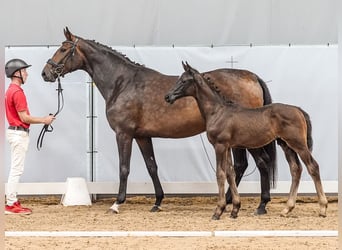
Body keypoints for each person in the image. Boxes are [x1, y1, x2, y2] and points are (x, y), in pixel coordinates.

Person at [4, 58, 55, 215]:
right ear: (17, 73)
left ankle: (12, 200)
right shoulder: (17, 92)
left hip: (15, 132)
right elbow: (25, 118)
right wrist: (44, 120)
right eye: (24, 71)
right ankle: (11, 204)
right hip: (19, 133)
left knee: (16, 168)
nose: (26, 74)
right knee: (16, 169)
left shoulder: (10, 90)